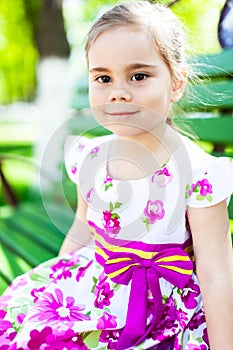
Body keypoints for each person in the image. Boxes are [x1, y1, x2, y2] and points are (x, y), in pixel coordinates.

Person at [1, 1, 233, 349]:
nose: (118, 91)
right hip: (99, 286)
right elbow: (82, 229)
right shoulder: (91, 156)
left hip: (165, 313)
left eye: (138, 76)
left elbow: (216, 274)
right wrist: (58, 283)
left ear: (177, 83)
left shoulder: (197, 173)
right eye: (103, 78)